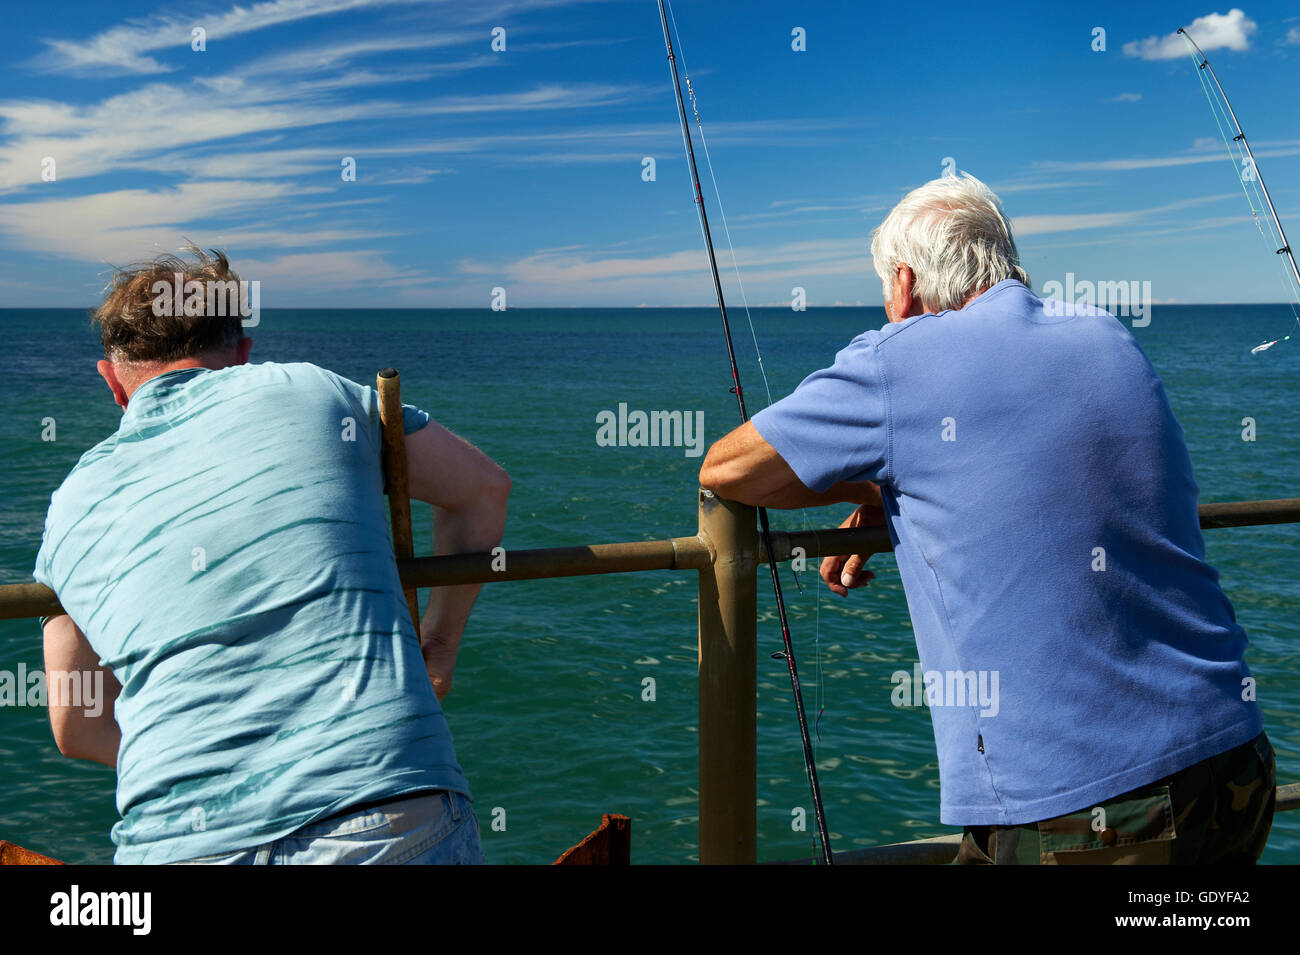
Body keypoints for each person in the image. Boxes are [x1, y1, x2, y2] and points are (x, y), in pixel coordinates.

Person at [698, 174, 1274, 864]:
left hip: (1093, 808)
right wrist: (897, 488)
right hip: (1234, 761)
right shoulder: (1105, 334)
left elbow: (728, 468)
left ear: (903, 283)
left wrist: (885, 477)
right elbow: (1036, 459)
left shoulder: (897, 359)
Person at [35, 246, 509, 865]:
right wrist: (438, 649)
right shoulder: (313, 391)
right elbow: (482, 490)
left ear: (111, 381)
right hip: (377, 813)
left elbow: (76, 725)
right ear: (240, 353)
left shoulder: (71, 503)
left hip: (176, 847)